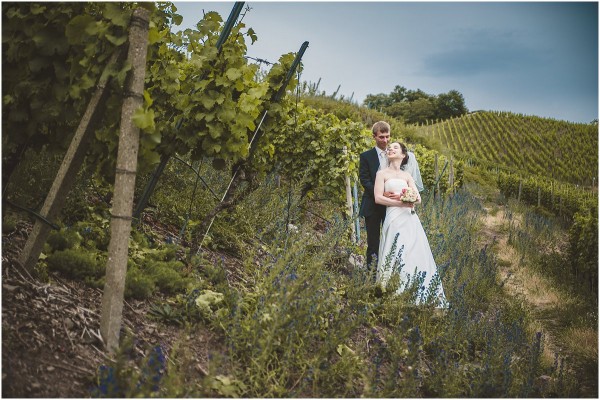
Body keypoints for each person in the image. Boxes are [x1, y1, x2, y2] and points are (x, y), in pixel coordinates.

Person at [374, 142, 447, 307]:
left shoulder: (407, 176)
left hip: (410, 218)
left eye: (395, 148)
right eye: (389, 148)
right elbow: (378, 198)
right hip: (393, 217)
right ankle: (391, 293)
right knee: (394, 249)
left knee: (414, 251)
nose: (390, 149)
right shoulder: (382, 174)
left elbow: (418, 198)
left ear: (403, 155)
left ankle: (416, 291)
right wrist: (401, 202)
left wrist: (409, 199)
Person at [358, 121, 391, 271]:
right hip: (372, 205)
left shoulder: (394, 154)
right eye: (381, 137)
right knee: (373, 242)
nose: (385, 140)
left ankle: (387, 272)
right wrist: (381, 194)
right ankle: (371, 274)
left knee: (390, 240)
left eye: (387, 137)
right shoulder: (366, 156)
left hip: (391, 206)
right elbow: (364, 180)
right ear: (374, 137)